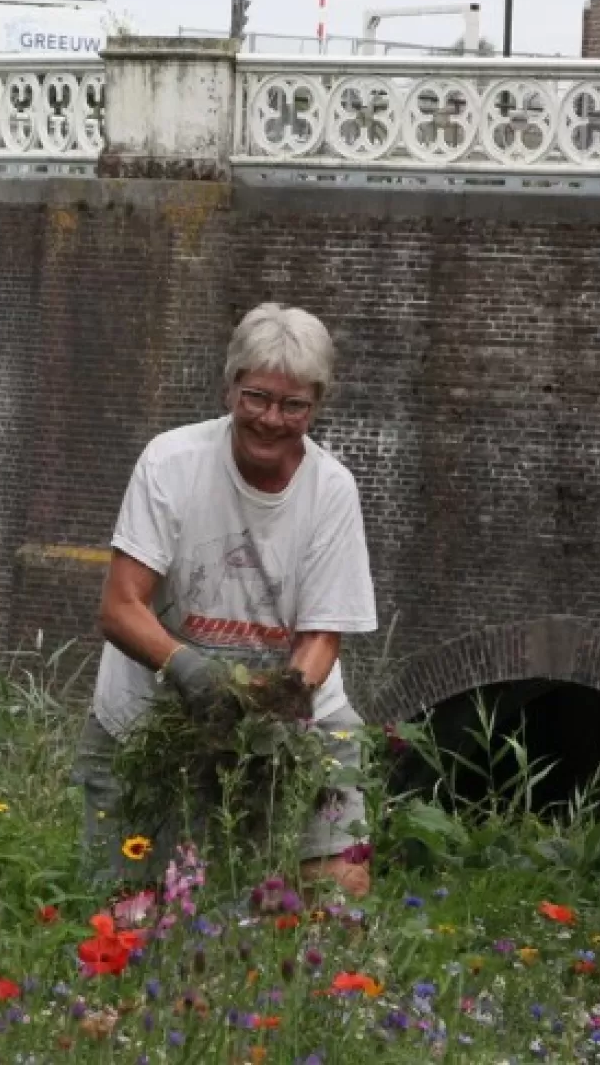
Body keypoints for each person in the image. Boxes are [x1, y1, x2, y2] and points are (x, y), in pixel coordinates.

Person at [74, 303, 378, 898]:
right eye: (256, 397)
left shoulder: (332, 489)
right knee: (130, 907)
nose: (271, 419)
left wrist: (282, 700)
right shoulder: (171, 463)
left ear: (316, 405)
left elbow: (322, 634)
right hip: (152, 713)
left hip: (292, 718)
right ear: (230, 387)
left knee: (335, 887)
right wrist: (193, 672)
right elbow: (121, 606)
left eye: (294, 405)